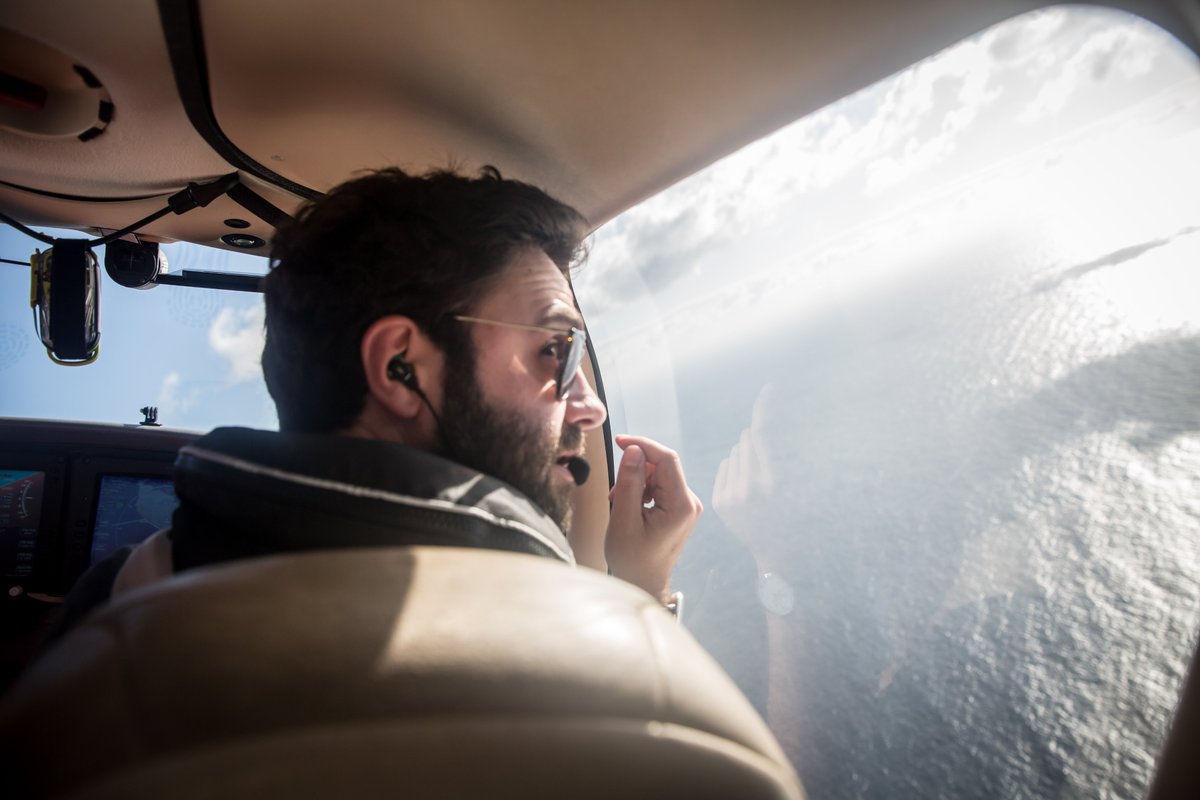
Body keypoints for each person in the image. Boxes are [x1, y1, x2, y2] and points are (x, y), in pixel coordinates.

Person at [43, 166, 703, 643]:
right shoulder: (560, 656)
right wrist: (641, 599)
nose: (590, 408)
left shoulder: (116, 604)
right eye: (555, 350)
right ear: (400, 368)